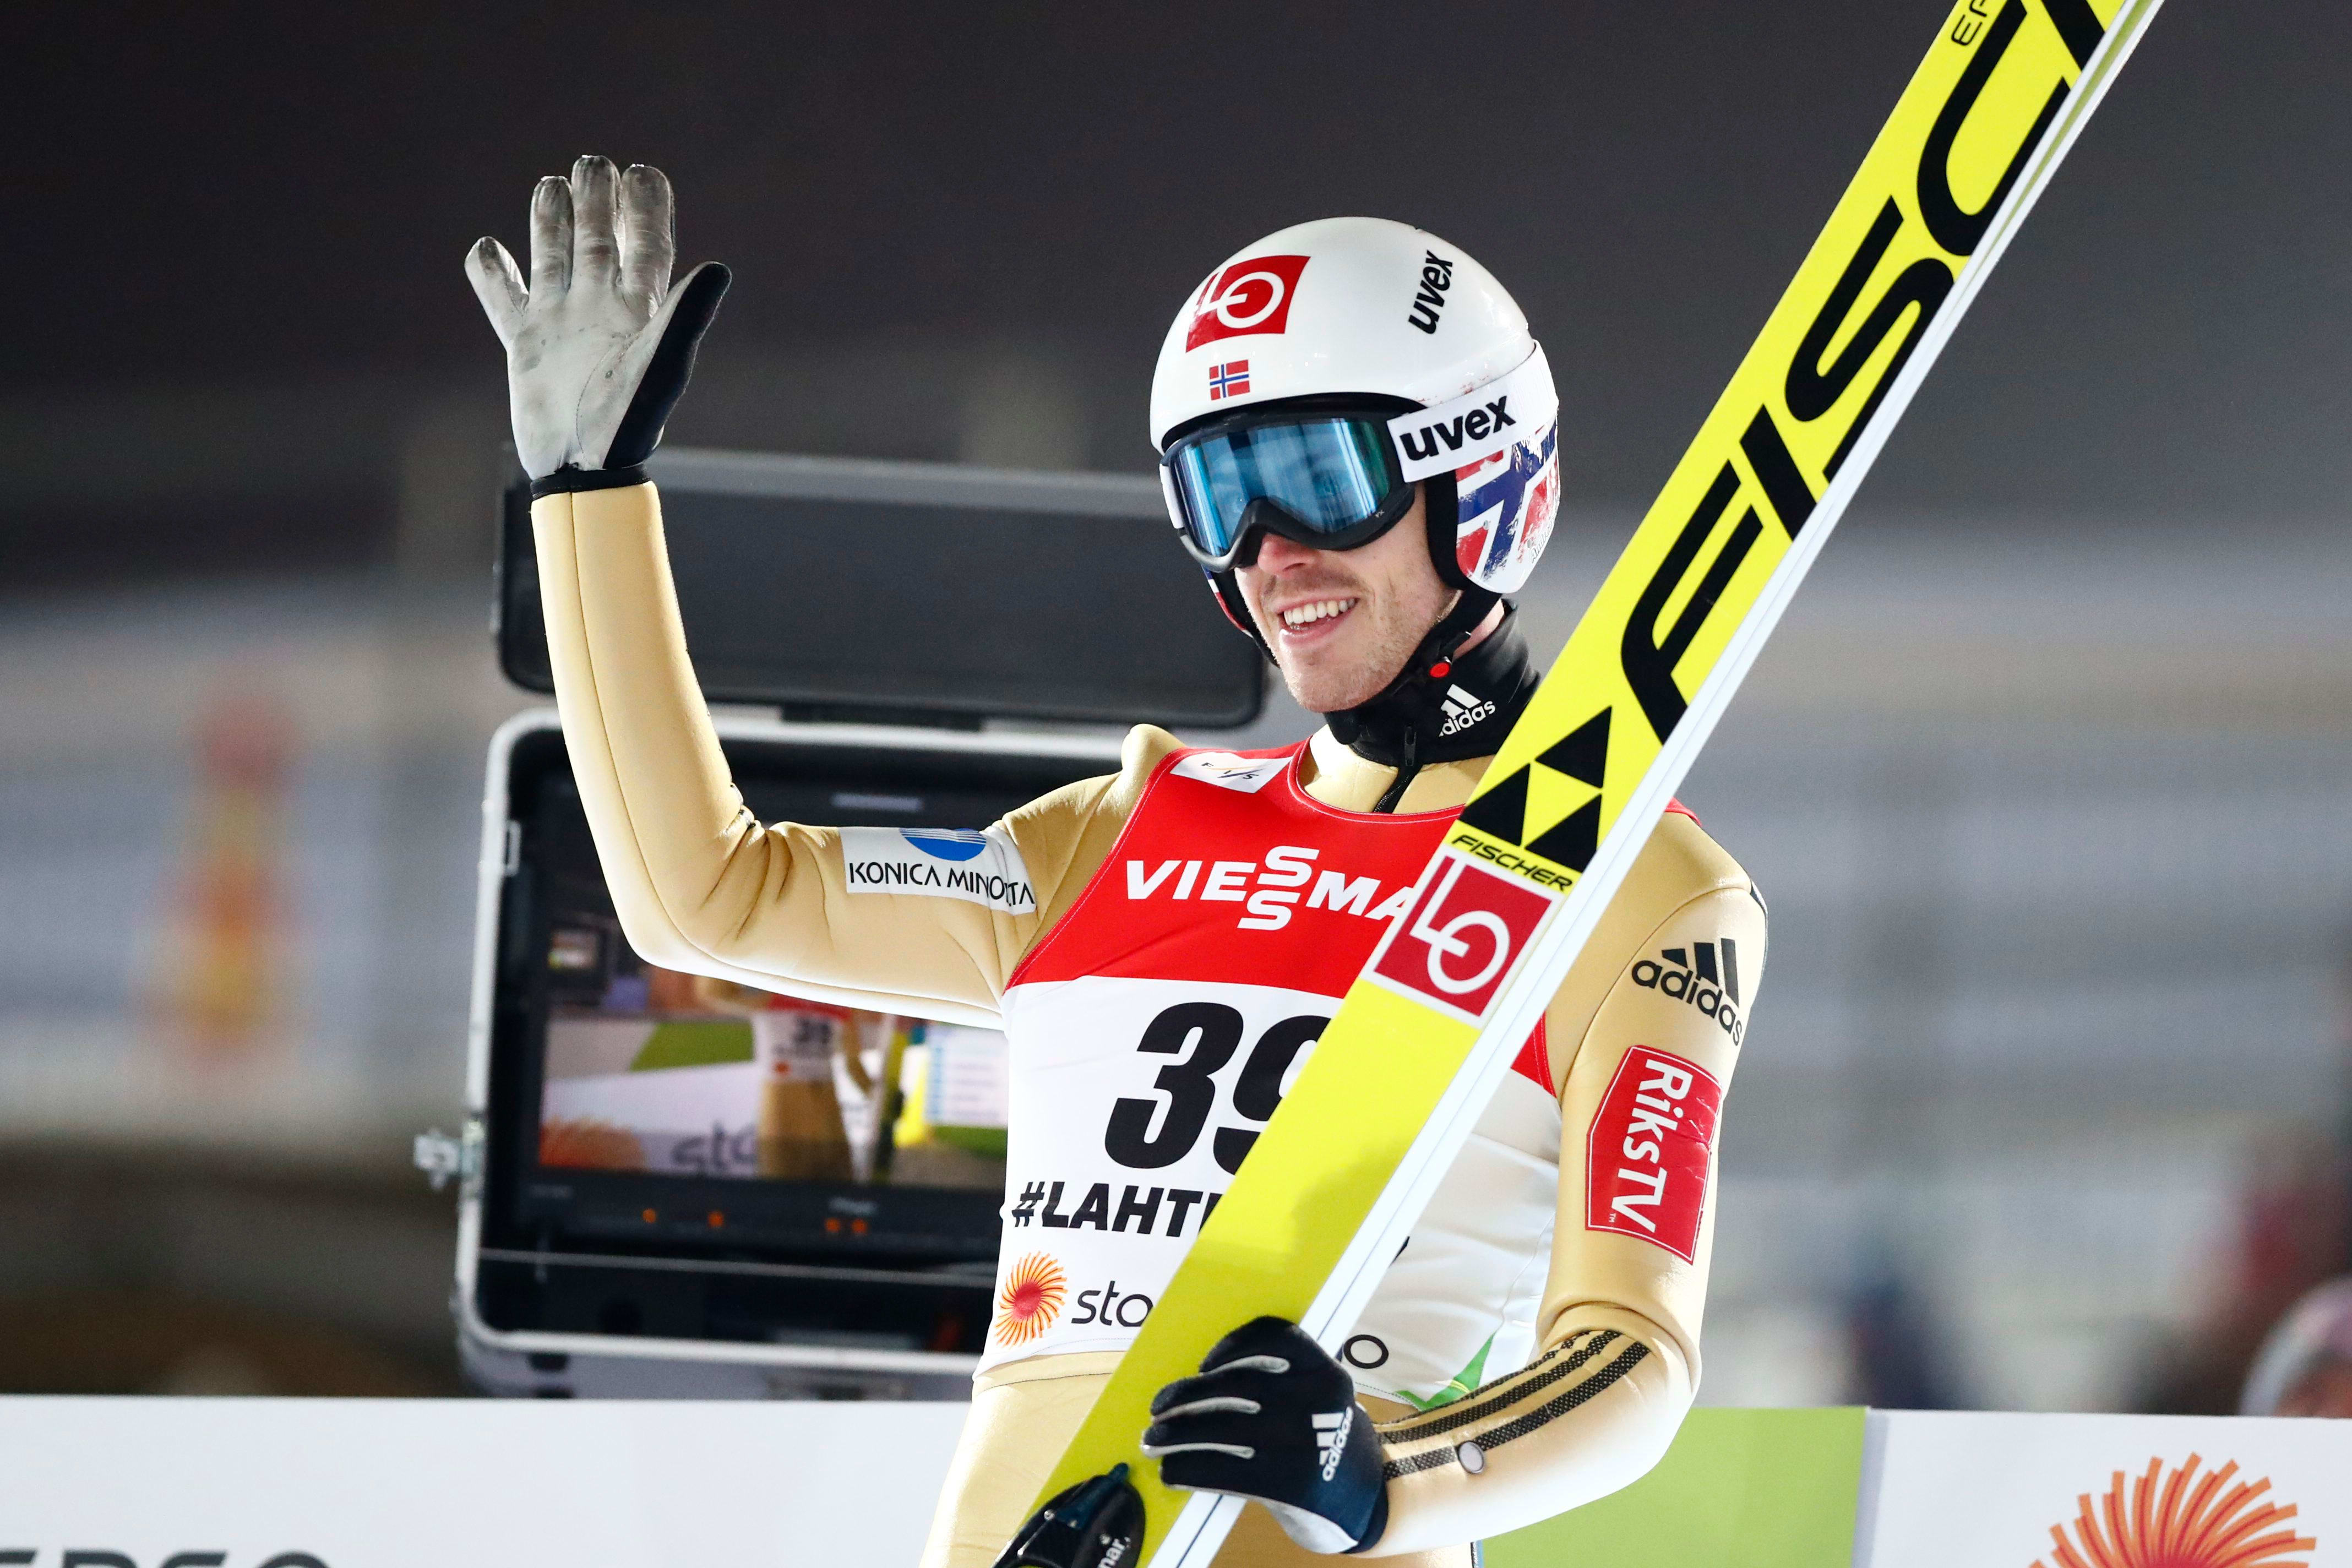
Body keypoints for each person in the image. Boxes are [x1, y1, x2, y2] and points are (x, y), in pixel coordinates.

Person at [467, 157, 1767, 1566]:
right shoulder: (1126, 830)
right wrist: (586, 495)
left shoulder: (1644, 888)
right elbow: (707, 897)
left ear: (1482, 471)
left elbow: (1632, 1357)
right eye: (1218, 493)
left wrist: (1381, 1470)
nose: (1269, 552)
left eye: (1316, 478)